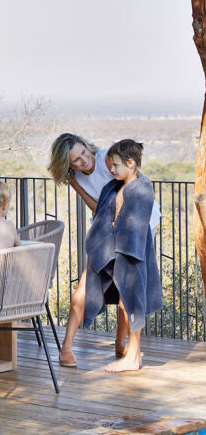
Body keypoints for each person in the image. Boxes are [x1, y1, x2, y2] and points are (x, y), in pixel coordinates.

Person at [48, 133, 160, 367]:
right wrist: (77, 186)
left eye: (84, 153)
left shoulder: (107, 158)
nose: (84, 161)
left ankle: (123, 346)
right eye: (76, 160)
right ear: (68, 165)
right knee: (86, 284)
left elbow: (131, 176)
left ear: (87, 147)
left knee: (126, 288)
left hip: (135, 225)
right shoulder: (76, 177)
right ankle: (66, 347)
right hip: (107, 231)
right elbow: (97, 207)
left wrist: (120, 197)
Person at [82, 139, 162, 372]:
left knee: (133, 302)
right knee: (126, 303)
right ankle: (131, 354)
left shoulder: (140, 188)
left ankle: (133, 356)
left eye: (115, 165)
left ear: (131, 163)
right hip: (119, 252)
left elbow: (135, 225)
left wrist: (121, 246)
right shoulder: (118, 185)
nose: (111, 170)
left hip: (132, 254)